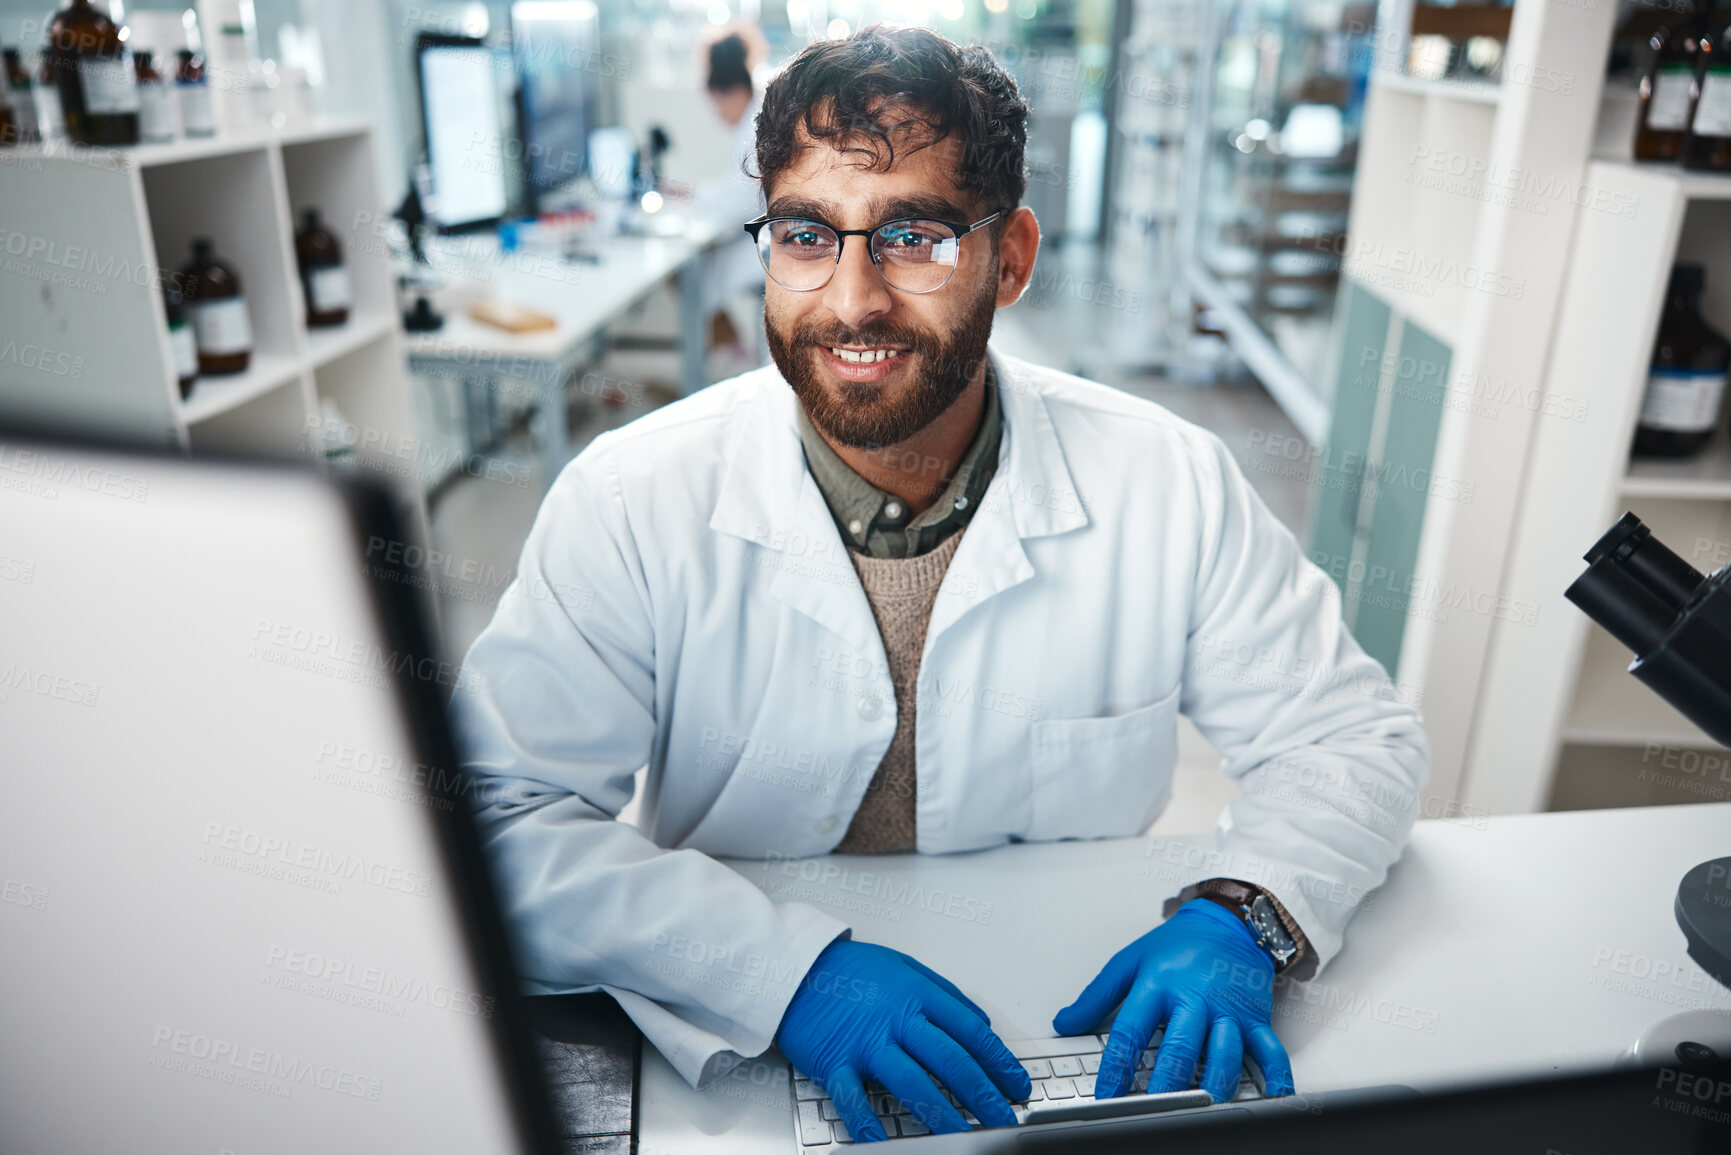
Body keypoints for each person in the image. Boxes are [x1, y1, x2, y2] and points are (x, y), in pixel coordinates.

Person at [451, 25, 1429, 1145]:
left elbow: (1352, 739)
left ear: (1010, 258)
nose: (853, 297)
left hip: (1071, 1025)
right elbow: (495, 819)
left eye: (912, 235)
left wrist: (1245, 913)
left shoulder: (1165, 479)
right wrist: (778, 975)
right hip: (733, 1040)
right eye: (807, 234)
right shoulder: (633, 498)